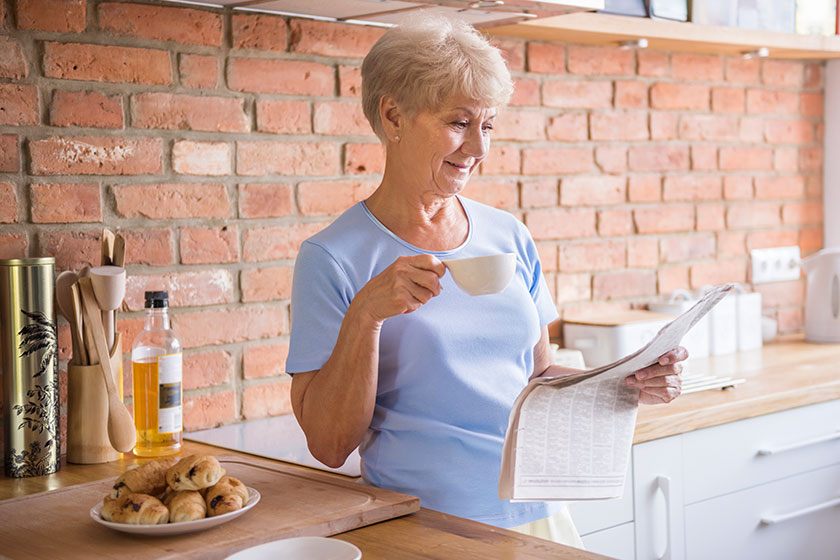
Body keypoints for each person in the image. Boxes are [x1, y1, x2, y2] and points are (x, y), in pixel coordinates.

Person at [285, 15, 686, 544]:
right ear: (393, 115)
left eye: (488, 125)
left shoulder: (508, 234)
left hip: (536, 513)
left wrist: (627, 380)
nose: (478, 149)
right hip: (427, 526)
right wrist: (367, 315)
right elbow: (330, 445)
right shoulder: (332, 257)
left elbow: (536, 374)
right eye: (458, 122)